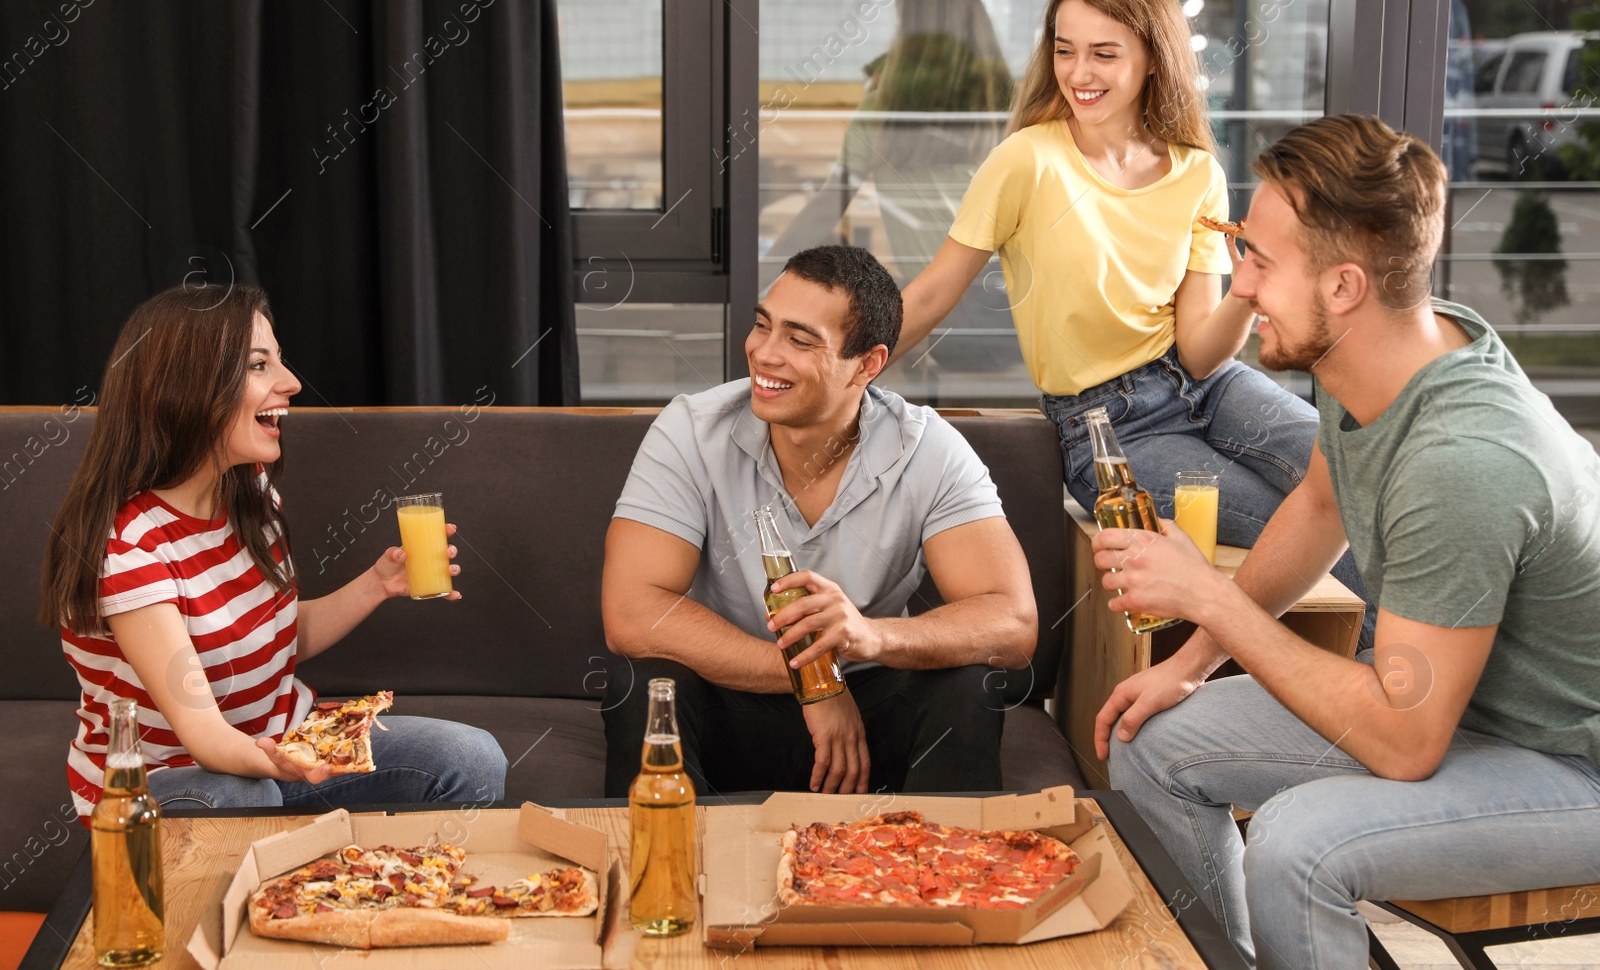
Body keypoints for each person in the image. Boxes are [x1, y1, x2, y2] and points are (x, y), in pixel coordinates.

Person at [1090, 115, 1600, 970]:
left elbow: (1405, 741)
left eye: (1255, 258)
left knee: (1298, 844)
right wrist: (1188, 661)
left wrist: (1212, 596)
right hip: (1465, 709)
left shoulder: (1462, 458)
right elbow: (1322, 504)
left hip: (1569, 762)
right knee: (1150, 740)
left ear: (1346, 283)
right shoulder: (1379, 352)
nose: (1237, 284)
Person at [893, 0, 1371, 629]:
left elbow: (1203, 354)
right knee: (1309, 533)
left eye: (1103, 54)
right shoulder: (1028, 161)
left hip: (1211, 385)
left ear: (1153, 56)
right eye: (1065, 51)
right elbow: (935, 290)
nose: (1079, 73)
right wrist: (843, 367)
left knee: (1361, 479)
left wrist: (1249, 285)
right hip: (1106, 429)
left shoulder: (1197, 172)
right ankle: (1396, 694)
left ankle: (1432, 682)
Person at [43, 286, 507, 820]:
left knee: (470, 759)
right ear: (188, 387)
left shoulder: (251, 492)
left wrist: (377, 584)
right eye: (260, 365)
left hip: (279, 749)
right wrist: (288, 763)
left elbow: (272, 644)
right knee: (251, 799)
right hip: (160, 787)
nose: (290, 384)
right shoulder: (127, 549)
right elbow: (206, 738)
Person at [600, 245, 1036, 796]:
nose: (763, 353)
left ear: (868, 364)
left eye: (799, 340)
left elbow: (1013, 625)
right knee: (640, 683)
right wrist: (814, 682)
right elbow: (631, 612)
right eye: (763, 326)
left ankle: (938, 873)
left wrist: (871, 638)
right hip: (733, 705)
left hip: (868, 718)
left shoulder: (930, 448)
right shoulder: (689, 429)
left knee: (970, 684)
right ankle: (667, 873)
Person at [761, 0, 1018, 373]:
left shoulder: (883, 114)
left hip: (948, 323)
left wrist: (761, 275)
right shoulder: (1013, 113)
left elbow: (826, 207)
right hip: (1021, 317)